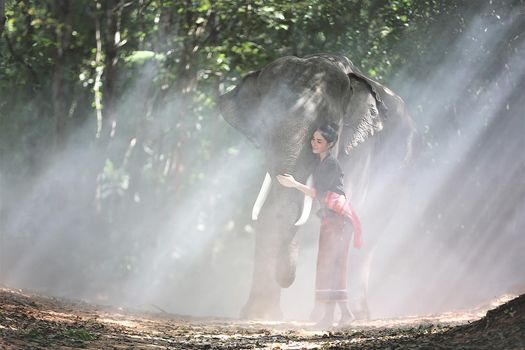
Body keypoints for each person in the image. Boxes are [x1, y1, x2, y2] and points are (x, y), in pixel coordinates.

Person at [277, 121, 362, 328]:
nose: (314, 143)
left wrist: (295, 184)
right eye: (313, 140)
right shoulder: (323, 163)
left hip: (338, 220)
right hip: (331, 219)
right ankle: (337, 315)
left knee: (333, 265)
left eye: (319, 141)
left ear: (330, 143)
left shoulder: (331, 164)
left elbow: (321, 194)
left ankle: (340, 315)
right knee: (327, 265)